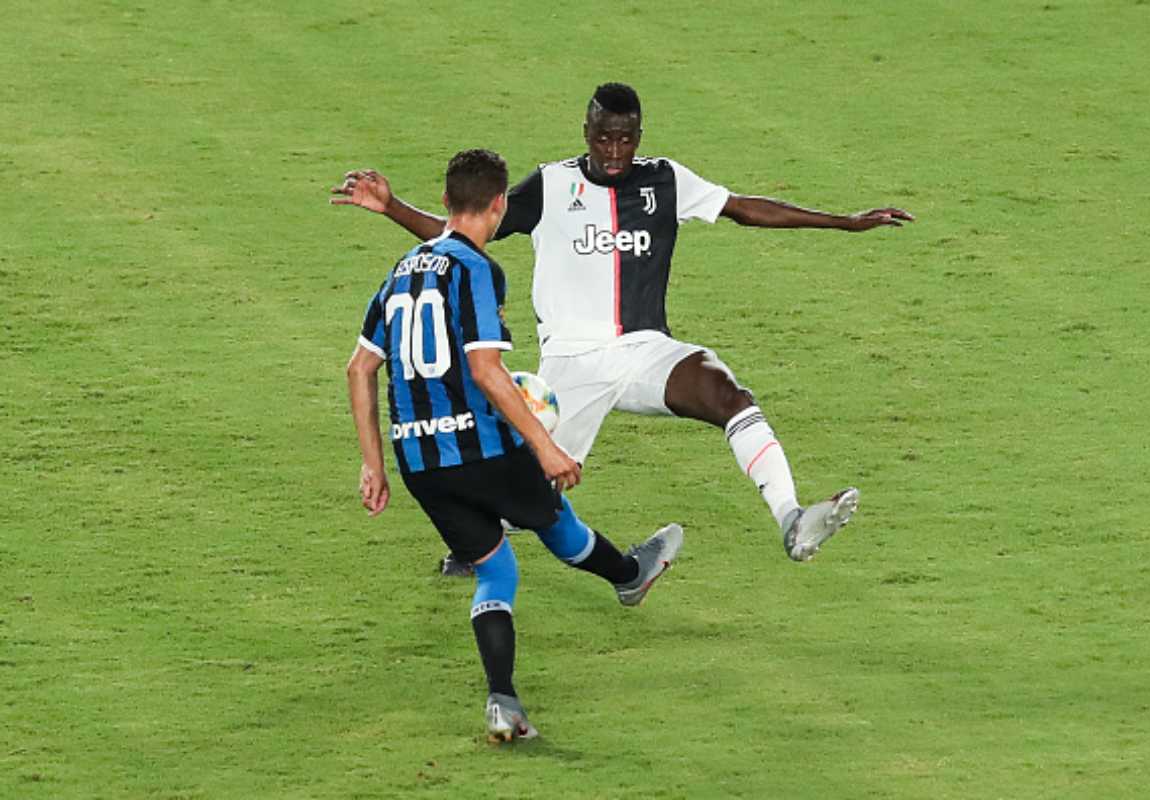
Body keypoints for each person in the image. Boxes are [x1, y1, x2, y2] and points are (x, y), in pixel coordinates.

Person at [334, 82, 913, 572]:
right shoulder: (552, 185)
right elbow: (459, 231)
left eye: (626, 138)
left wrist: (844, 223)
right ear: (586, 132)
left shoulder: (666, 180)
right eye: (603, 137)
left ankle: (791, 518)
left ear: (639, 135)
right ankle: (475, 547)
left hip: (644, 351)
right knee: (532, 484)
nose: (614, 150)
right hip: (571, 362)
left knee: (728, 394)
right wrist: (392, 206)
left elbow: (743, 208)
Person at [345, 148, 684, 743]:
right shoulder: (477, 268)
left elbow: (359, 369)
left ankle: (502, 702)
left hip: (418, 459)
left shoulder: (401, 269)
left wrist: (374, 466)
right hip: (479, 447)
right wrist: (545, 447)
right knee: (558, 525)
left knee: (496, 568)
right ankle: (630, 575)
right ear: (500, 205)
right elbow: (486, 370)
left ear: (445, 200)